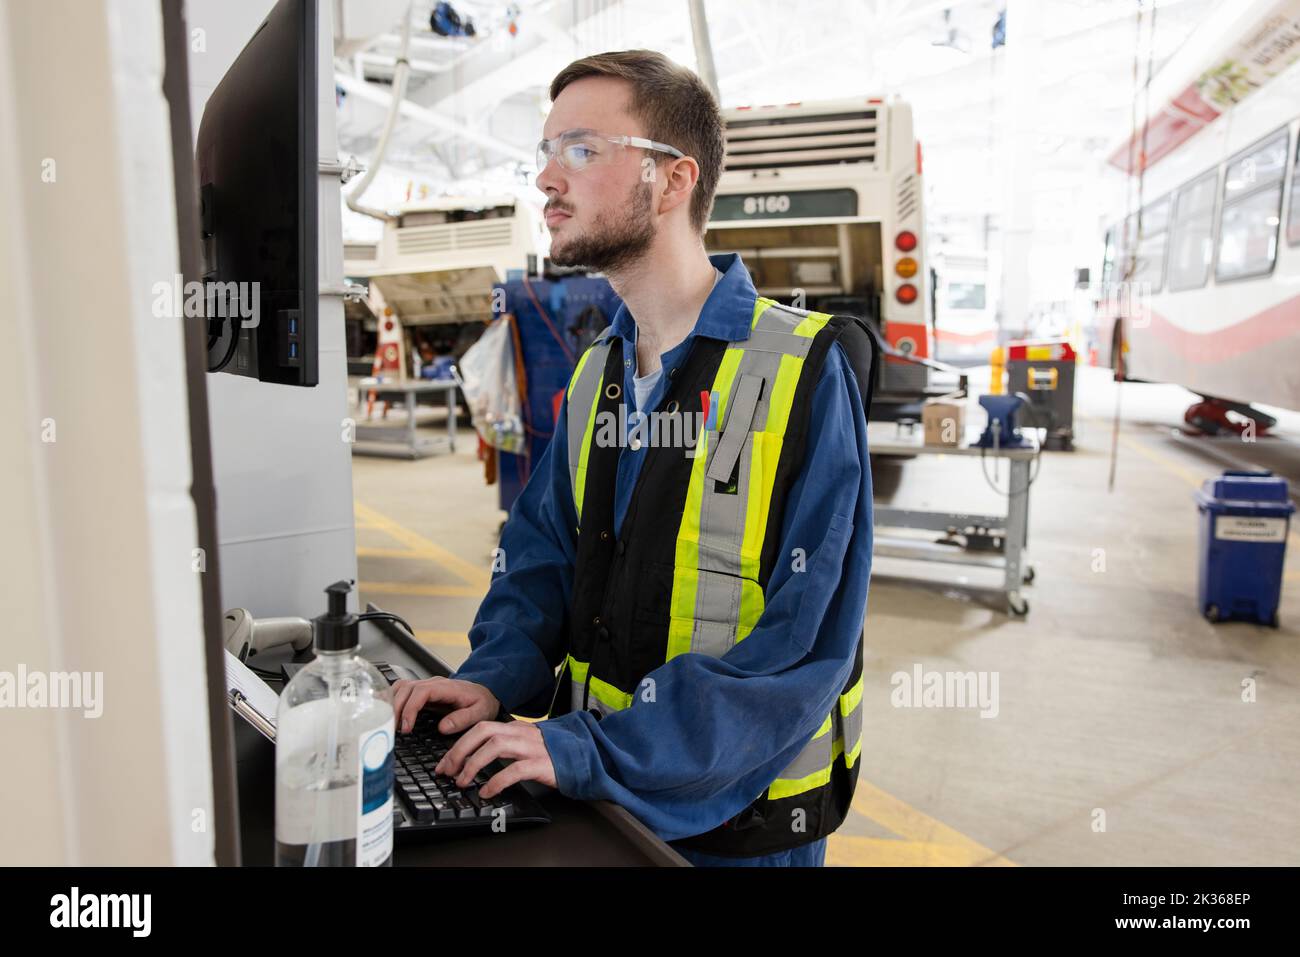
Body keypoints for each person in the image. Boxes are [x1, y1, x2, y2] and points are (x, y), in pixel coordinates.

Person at [390, 49, 873, 867]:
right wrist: (494, 678)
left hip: (737, 827)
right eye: (544, 153)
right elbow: (541, 558)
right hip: (607, 808)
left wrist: (589, 752)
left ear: (674, 180)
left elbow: (802, 645)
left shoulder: (806, 368)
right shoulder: (597, 373)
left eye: (580, 150)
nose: (547, 179)